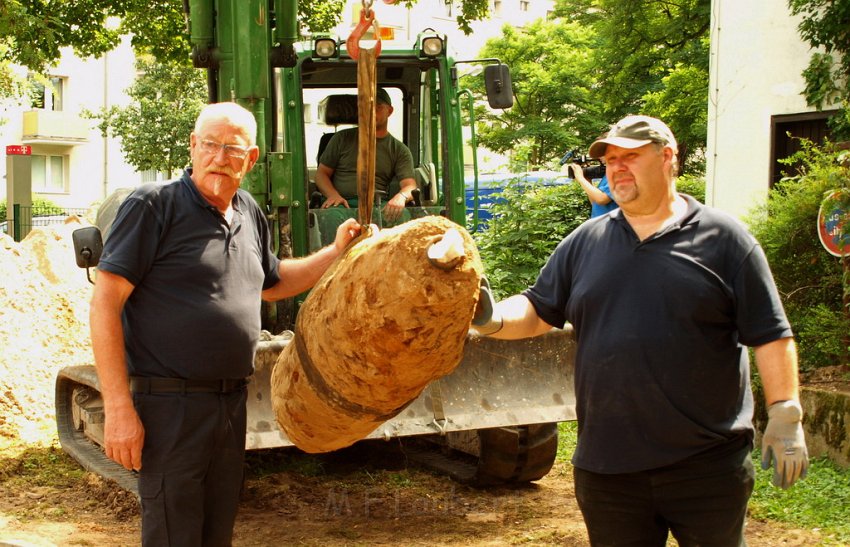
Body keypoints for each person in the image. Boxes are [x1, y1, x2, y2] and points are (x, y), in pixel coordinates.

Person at [472, 114, 808, 546]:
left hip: (705, 465)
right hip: (609, 469)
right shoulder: (584, 242)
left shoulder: (725, 241)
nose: (616, 168)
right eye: (610, 160)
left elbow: (770, 334)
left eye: (629, 156)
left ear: (668, 158)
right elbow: (539, 308)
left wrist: (786, 411)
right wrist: (492, 318)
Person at [89, 102, 362, 546]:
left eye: (231, 149)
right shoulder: (153, 205)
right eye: (210, 145)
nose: (218, 157)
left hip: (230, 404)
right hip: (169, 408)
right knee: (174, 534)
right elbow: (104, 304)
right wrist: (119, 410)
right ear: (193, 146)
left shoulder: (249, 211)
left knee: (217, 531)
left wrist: (335, 252)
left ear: (250, 159)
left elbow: (271, 283)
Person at [315, 87, 417, 227]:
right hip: (342, 204)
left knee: (402, 215)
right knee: (330, 216)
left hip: (377, 206)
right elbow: (321, 174)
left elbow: (410, 185)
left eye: (378, 106)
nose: (371, 111)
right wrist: (332, 195)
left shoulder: (399, 150)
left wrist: (401, 197)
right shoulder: (341, 139)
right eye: (366, 106)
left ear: (390, 111)